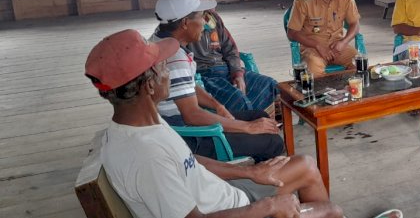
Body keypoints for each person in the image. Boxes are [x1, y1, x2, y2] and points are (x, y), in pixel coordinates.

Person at [84, 29, 343, 218]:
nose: (168, 74)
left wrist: (250, 172)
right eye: (163, 67)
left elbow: (188, 161)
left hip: (222, 193)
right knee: (331, 211)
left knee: (306, 165)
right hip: (226, 210)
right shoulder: (145, 156)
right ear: (149, 85)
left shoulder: (142, 123)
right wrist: (269, 206)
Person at [151, 0, 284, 162]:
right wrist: (247, 127)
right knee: (272, 142)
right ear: (185, 23)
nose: (205, 22)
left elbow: (187, 87)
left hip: (179, 126)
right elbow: (192, 116)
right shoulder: (175, 59)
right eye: (201, 17)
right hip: (189, 138)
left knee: (259, 116)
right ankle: (260, 181)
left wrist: (217, 105)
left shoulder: (160, 39)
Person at [181, 0, 279, 115]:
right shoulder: (185, 23)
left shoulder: (213, 18)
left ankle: (266, 123)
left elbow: (230, 49)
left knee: (270, 84)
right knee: (238, 100)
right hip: (205, 77)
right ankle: (252, 127)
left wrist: (237, 74)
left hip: (226, 71)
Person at [287, 0, 361, 76]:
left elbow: (355, 24)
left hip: (338, 47)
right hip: (313, 49)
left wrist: (343, 42)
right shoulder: (304, 0)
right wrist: (318, 46)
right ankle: (323, 94)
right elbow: (292, 33)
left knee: (360, 64)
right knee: (313, 72)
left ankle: (351, 93)